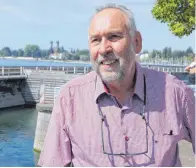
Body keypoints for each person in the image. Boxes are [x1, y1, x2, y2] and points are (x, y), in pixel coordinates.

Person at [38, 4, 195, 167]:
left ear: (137, 42)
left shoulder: (175, 94)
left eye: (114, 37)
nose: (104, 49)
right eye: (96, 40)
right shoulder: (70, 98)